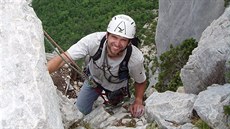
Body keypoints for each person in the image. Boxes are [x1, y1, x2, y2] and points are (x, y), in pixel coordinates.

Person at [47, 14, 147, 118]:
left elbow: (140, 81)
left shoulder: (135, 58)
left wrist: (138, 100)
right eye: (114, 37)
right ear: (107, 35)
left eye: (123, 40)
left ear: (129, 42)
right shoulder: (93, 41)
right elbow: (63, 59)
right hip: (93, 81)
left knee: (115, 112)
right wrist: (42, 72)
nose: (117, 43)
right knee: (79, 111)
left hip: (116, 88)